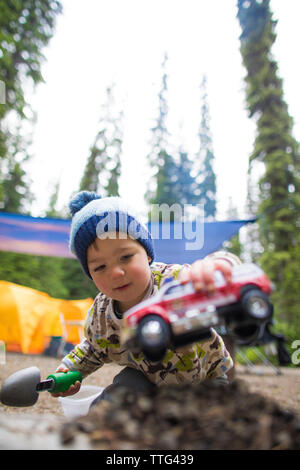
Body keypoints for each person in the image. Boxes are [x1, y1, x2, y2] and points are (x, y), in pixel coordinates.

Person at [51, 190, 241, 404]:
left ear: (148, 254)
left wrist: (216, 267)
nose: (115, 273)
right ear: (90, 275)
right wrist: (69, 369)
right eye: (100, 267)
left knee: (212, 423)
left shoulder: (176, 280)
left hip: (206, 379)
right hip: (144, 381)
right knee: (117, 397)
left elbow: (226, 268)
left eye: (125, 257)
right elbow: (94, 349)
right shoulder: (101, 314)